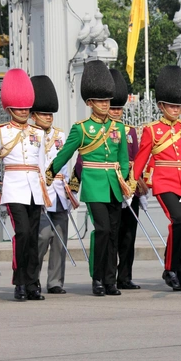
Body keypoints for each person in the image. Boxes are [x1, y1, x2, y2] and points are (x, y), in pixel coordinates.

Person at [46, 60, 130, 297]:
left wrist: (123, 179)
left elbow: (123, 159)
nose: (105, 105)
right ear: (89, 103)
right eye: (100, 101)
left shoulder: (119, 128)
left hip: (114, 186)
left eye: (107, 101)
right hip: (93, 187)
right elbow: (65, 153)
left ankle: (111, 280)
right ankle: (98, 278)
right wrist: (49, 175)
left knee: (114, 233)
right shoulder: (82, 129)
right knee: (102, 230)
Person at [0, 68, 49, 302]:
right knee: (23, 233)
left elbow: (42, 165)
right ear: (9, 109)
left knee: (34, 236)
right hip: (14, 190)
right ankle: (20, 282)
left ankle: (33, 282)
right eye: (19, 107)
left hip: (35, 190)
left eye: (26, 107)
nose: (24, 111)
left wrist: (45, 191)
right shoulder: (0, 132)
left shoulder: (38, 132)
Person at [133, 66, 181, 292]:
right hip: (164, 182)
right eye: (170, 105)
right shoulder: (153, 130)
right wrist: (133, 184)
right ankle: (170, 268)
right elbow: (141, 160)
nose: (175, 109)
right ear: (161, 106)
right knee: (178, 220)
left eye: (178, 105)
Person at [30, 75, 72, 295]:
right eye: (43, 113)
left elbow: (64, 163)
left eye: (49, 113)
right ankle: (32, 278)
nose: (48, 117)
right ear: (33, 114)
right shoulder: (28, 135)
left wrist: (67, 189)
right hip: (39, 192)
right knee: (42, 236)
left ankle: (55, 281)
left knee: (59, 239)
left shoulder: (60, 135)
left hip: (58, 192)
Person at [108, 68, 145, 290]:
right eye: (113, 107)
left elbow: (136, 160)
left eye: (119, 108)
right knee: (112, 234)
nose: (116, 112)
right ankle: (109, 276)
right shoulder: (98, 130)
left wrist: (138, 188)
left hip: (130, 188)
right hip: (110, 186)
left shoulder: (130, 131)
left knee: (129, 235)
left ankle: (125, 275)